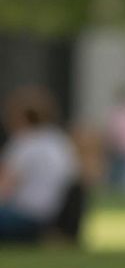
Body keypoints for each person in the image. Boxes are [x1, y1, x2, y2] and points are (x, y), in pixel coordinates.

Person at [0, 86, 81, 244]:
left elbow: (5, 187)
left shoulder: (23, 142)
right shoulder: (60, 141)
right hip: (51, 217)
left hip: (26, 216)